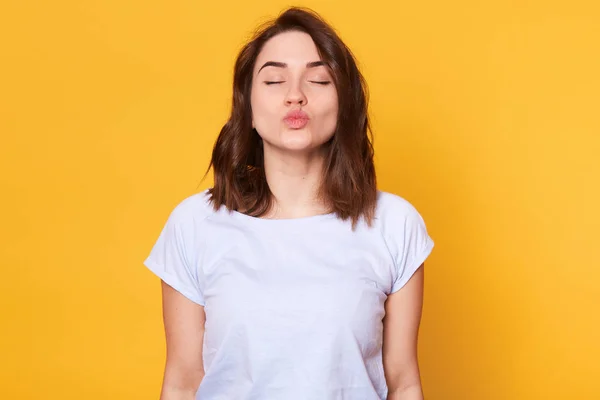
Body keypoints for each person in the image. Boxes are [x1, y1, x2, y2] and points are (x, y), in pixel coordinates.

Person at [144, 6, 434, 400]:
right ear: (246, 105)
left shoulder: (394, 224)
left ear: (344, 102)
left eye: (318, 79)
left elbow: (403, 382)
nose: (295, 96)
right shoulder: (194, 224)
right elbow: (182, 382)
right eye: (275, 80)